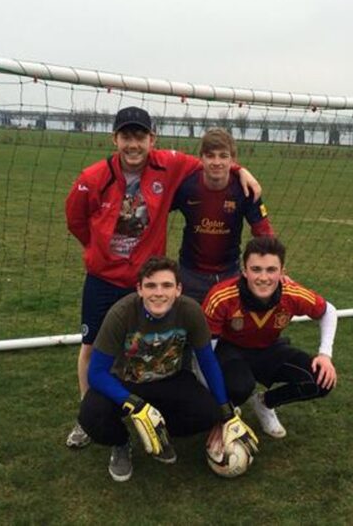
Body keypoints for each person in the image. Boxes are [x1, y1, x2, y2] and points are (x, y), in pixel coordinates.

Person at [64, 107, 261, 448]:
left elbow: (211, 162)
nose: (133, 144)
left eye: (140, 137)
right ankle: (88, 416)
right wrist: (98, 250)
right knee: (92, 346)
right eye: (126, 137)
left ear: (151, 140)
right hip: (103, 279)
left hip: (145, 281)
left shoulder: (170, 164)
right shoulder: (93, 177)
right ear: (115, 139)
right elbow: (75, 220)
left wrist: (242, 170)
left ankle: (159, 405)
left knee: (154, 346)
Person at [78, 256, 257, 481]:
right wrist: (133, 403)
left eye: (167, 285)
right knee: (91, 415)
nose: (159, 293)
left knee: (208, 413)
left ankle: (160, 435)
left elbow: (207, 361)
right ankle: (122, 443)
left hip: (171, 379)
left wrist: (226, 411)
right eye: (151, 285)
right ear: (139, 289)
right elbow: (96, 372)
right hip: (128, 382)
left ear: (178, 289)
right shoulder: (121, 313)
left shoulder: (190, 311)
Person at [202, 236, 338, 438]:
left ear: (282, 272)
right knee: (239, 387)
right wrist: (213, 396)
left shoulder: (292, 293)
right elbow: (204, 351)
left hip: (269, 348)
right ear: (244, 270)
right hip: (230, 350)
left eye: (271, 270)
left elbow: (328, 311)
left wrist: (325, 355)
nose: (263, 277)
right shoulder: (222, 296)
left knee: (321, 380)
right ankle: (226, 413)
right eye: (256, 269)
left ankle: (265, 402)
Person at [171, 128, 274, 305]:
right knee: (191, 329)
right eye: (210, 155)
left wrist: (274, 267)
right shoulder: (187, 186)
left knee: (230, 330)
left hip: (229, 274)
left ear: (232, 159)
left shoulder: (245, 190)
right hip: (190, 275)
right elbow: (156, 213)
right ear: (201, 158)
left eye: (223, 156)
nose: (216, 162)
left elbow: (264, 232)